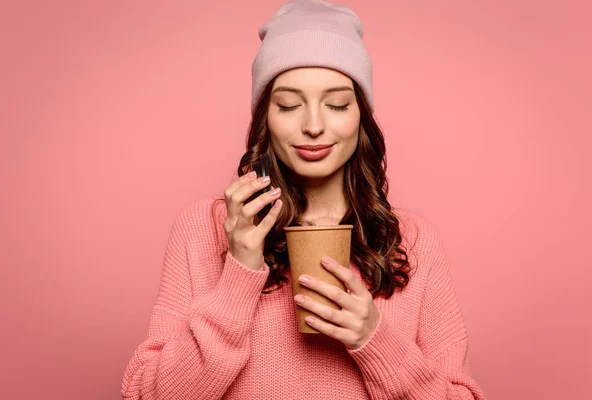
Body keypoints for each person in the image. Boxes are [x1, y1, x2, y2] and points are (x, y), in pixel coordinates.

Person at [121, 0, 487, 398]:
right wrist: (239, 271)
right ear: (265, 117)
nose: (313, 126)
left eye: (337, 104)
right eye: (289, 105)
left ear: (361, 116)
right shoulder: (204, 228)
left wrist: (375, 339)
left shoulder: (413, 239)